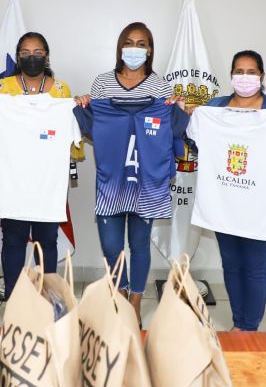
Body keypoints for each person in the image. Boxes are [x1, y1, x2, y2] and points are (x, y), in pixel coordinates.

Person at [201, 50, 266, 331]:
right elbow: (198, 145)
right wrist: (187, 113)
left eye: (251, 72)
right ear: (231, 75)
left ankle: (249, 327)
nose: (244, 77)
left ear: (262, 76)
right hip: (225, 196)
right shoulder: (214, 107)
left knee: (255, 265)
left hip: (265, 200)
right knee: (231, 263)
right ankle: (239, 322)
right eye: (239, 71)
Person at [75, 22, 176, 321]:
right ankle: (119, 293)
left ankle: (135, 301)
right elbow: (95, 130)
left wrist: (179, 110)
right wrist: (87, 110)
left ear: (150, 49)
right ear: (120, 47)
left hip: (147, 180)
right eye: (129, 43)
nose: (135, 49)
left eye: (142, 43)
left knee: (140, 244)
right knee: (111, 246)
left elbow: (169, 128)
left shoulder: (160, 87)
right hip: (112, 178)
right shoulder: (103, 82)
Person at [0, 31, 83, 298]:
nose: (32, 57)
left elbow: (73, 140)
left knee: (47, 241)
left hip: (47, 183)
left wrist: (78, 108)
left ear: (47, 56)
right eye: (26, 53)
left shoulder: (62, 91)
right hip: (13, 182)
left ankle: (48, 297)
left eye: (38, 52)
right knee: (14, 240)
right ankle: (15, 298)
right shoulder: (1, 91)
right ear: (18, 56)